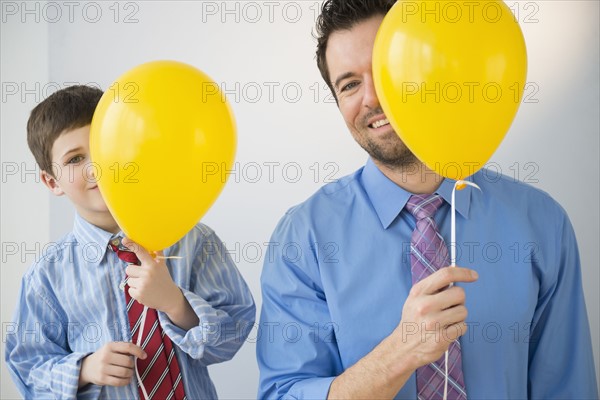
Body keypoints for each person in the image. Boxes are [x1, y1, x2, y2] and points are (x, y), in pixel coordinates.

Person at [256, 1, 598, 399]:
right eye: (349, 84)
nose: (372, 99)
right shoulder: (303, 238)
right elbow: (283, 393)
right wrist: (398, 354)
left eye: (388, 72)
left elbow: (568, 389)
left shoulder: (542, 223)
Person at [5, 85, 256, 399]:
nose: (95, 166)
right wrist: (84, 369)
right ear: (51, 181)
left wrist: (176, 304)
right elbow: (27, 367)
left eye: (104, 147)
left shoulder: (194, 240)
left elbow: (235, 330)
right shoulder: (47, 276)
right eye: (75, 159)